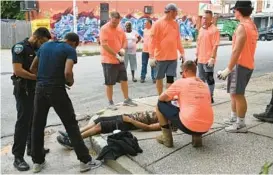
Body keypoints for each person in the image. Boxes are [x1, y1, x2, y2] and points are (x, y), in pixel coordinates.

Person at [29, 33, 101, 173]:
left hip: (40, 90)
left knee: (37, 125)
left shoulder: (44, 46)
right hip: (57, 91)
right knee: (71, 125)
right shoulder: (69, 50)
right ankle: (85, 161)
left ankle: (37, 163)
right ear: (74, 43)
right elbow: (68, 72)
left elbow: (33, 67)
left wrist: (44, 79)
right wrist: (70, 81)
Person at [11, 27, 51, 171]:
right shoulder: (20, 48)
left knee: (35, 120)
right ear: (37, 38)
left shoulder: (37, 49)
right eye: (43, 42)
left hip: (36, 90)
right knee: (23, 122)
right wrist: (37, 77)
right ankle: (18, 157)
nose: (43, 46)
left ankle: (33, 149)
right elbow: (18, 70)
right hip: (23, 90)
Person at [217, 0, 258, 133]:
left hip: (240, 65)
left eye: (234, 10)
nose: (234, 12)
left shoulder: (242, 27)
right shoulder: (252, 25)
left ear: (239, 11)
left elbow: (236, 50)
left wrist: (228, 69)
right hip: (246, 64)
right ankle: (234, 118)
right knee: (234, 94)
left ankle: (240, 124)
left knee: (238, 94)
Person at [155, 60, 214, 148]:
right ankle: (197, 136)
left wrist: (172, 98)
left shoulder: (181, 82)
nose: (181, 74)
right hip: (207, 126)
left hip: (188, 126)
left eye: (181, 72)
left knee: (159, 104)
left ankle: (166, 138)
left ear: (186, 71)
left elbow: (161, 98)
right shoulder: (204, 85)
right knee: (195, 108)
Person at [56, 111, 162, 149]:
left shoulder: (167, 122)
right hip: (126, 117)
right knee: (99, 120)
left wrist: (131, 121)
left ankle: (73, 142)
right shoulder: (168, 109)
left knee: (100, 127)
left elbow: (148, 128)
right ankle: (72, 134)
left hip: (127, 123)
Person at [100, 11, 138, 110]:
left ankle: (126, 99)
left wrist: (122, 49)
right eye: (113, 22)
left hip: (120, 59)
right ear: (110, 19)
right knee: (109, 83)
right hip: (108, 60)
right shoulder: (104, 29)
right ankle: (110, 102)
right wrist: (115, 54)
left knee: (124, 80)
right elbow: (104, 45)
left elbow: (124, 40)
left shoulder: (120, 28)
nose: (115, 24)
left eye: (117, 22)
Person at [149, 3, 185, 95]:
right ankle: (160, 96)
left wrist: (182, 52)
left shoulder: (175, 24)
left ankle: (168, 97)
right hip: (160, 57)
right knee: (159, 78)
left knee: (170, 78)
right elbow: (152, 41)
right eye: (176, 12)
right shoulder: (158, 24)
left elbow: (177, 39)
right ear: (171, 12)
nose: (177, 14)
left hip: (172, 57)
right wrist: (151, 56)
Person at [195, 10, 220, 103]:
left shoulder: (214, 30)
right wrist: (196, 56)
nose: (204, 20)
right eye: (204, 18)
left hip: (208, 59)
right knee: (201, 79)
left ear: (211, 19)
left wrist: (212, 58)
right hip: (200, 59)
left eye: (206, 18)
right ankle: (202, 96)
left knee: (209, 78)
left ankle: (210, 96)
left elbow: (215, 45)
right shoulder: (201, 29)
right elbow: (198, 44)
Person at [140, 19, 156, 83]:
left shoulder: (153, 30)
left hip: (152, 50)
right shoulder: (145, 30)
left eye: (146, 23)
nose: (145, 24)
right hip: (144, 50)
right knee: (144, 64)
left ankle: (154, 77)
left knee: (153, 64)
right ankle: (142, 77)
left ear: (149, 23)